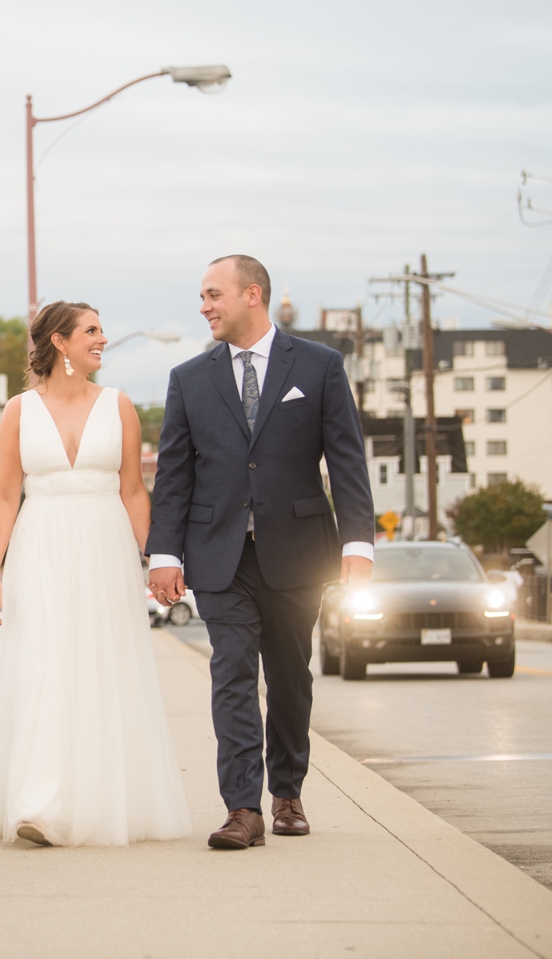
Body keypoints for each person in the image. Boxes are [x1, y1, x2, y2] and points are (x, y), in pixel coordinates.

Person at [148, 255, 374, 850]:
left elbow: (346, 460)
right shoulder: (189, 378)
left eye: (212, 294)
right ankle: (242, 807)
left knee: (290, 675)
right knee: (232, 673)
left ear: (253, 295)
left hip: (298, 552)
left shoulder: (320, 366)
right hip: (218, 553)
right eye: (201, 296)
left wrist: (358, 544)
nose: (204, 306)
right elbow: (173, 475)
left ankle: (288, 791)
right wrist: (162, 553)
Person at [0, 301, 191, 847]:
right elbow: (5, 495)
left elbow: (134, 491)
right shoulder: (18, 410)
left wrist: (159, 560)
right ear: (60, 342)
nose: (103, 339)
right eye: (91, 331)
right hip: (39, 546)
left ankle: (99, 799)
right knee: (42, 663)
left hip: (104, 547)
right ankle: (40, 804)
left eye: (103, 330)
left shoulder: (120, 406)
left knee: (99, 665)